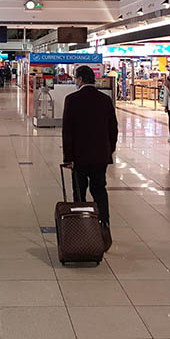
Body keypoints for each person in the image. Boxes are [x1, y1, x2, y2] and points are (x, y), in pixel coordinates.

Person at [62, 65, 118, 250]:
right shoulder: (105, 100)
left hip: (79, 157)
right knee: (100, 190)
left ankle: (82, 230)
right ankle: (104, 226)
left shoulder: (72, 100)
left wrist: (68, 157)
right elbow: (113, 129)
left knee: (79, 192)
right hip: (100, 156)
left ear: (80, 79)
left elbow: (67, 132)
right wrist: (109, 149)